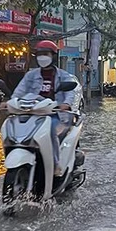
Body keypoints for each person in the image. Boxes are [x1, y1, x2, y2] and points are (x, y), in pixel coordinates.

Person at [10, 40, 77, 177]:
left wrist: (66, 104)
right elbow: (19, 91)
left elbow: (70, 93)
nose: (42, 57)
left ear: (53, 56)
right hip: (31, 113)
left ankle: (55, 163)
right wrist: (10, 102)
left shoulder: (63, 75)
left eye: (45, 54)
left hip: (54, 114)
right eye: (39, 54)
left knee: (51, 130)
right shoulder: (30, 75)